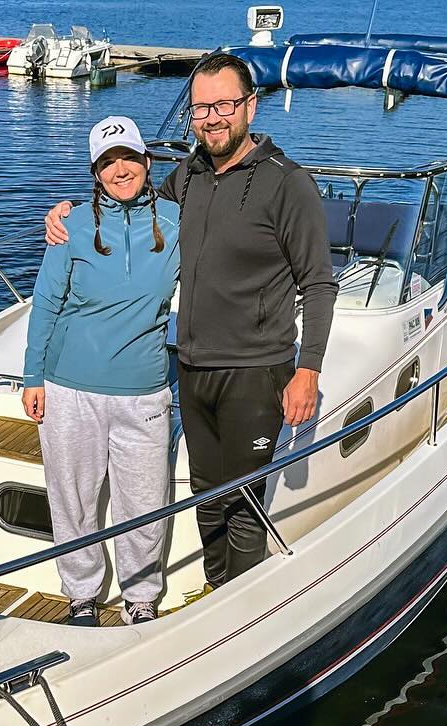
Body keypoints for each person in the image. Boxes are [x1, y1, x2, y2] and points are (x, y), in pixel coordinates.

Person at [46, 52, 336, 595]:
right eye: (200, 108)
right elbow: (128, 203)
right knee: (207, 497)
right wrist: (67, 213)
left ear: (250, 106)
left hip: (256, 370)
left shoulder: (287, 184)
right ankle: (213, 596)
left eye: (224, 104)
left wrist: (309, 370)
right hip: (194, 366)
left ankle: (238, 618)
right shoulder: (189, 176)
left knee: (244, 502)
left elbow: (318, 283)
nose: (211, 117)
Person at [23, 115, 181, 626]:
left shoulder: (179, 222)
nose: (119, 169)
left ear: (146, 162)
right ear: (95, 173)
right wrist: (32, 378)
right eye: (107, 162)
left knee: (144, 501)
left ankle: (140, 598)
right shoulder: (71, 224)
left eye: (128, 158)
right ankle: (83, 595)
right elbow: (46, 303)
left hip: (145, 392)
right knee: (72, 498)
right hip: (69, 389)